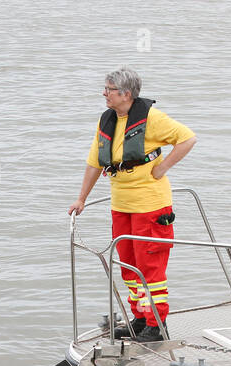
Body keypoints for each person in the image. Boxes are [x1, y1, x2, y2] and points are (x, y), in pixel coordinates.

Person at [68, 69, 197, 342]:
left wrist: (162, 168)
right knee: (128, 264)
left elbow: (188, 138)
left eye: (109, 89)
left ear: (126, 94)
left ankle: (156, 325)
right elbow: (94, 162)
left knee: (151, 267)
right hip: (121, 204)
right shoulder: (108, 120)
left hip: (150, 206)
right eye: (105, 88)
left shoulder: (152, 118)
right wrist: (82, 198)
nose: (104, 93)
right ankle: (139, 318)